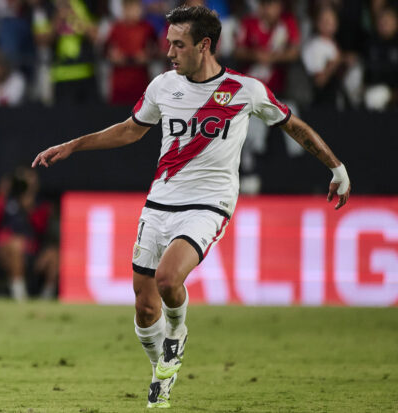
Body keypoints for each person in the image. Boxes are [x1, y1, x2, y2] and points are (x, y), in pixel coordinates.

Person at [31, 6, 351, 409]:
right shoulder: (164, 86)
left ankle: (178, 334)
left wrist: (336, 167)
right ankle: (159, 376)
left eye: (178, 44)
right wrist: (73, 145)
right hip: (161, 200)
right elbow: (130, 130)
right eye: (168, 43)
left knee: (168, 279)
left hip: (209, 203)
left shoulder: (244, 89)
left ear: (204, 46)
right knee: (145, 307)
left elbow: (293, 125)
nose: (169, 52)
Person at [0, 166, 58, 301]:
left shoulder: (41, 204)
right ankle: (20, 295)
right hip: (5, 253)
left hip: (32, 253)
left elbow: (42, 228)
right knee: (16, 245)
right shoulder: (4, 200)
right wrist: (2, 192)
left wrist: (30, 205)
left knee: (54, 255)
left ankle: (47, 297)